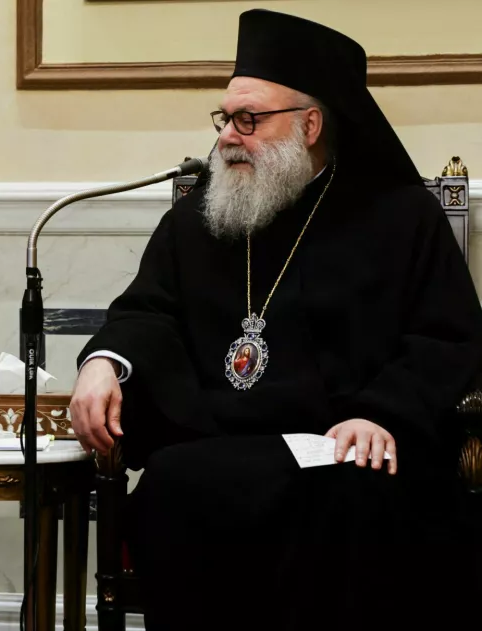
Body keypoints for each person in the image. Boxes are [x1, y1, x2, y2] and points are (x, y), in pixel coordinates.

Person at [69, 10, 482, 630]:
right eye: (225, 118)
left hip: (343, 449)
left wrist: (382, 415)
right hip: (223, 441)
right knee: (171, 484)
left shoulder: (399, 217)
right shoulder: (200, 216)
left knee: (352, 498)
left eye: (249, 120)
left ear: (310, 125)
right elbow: (149, 309)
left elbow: (447, 336)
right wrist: (106, 362)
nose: (228, 136)